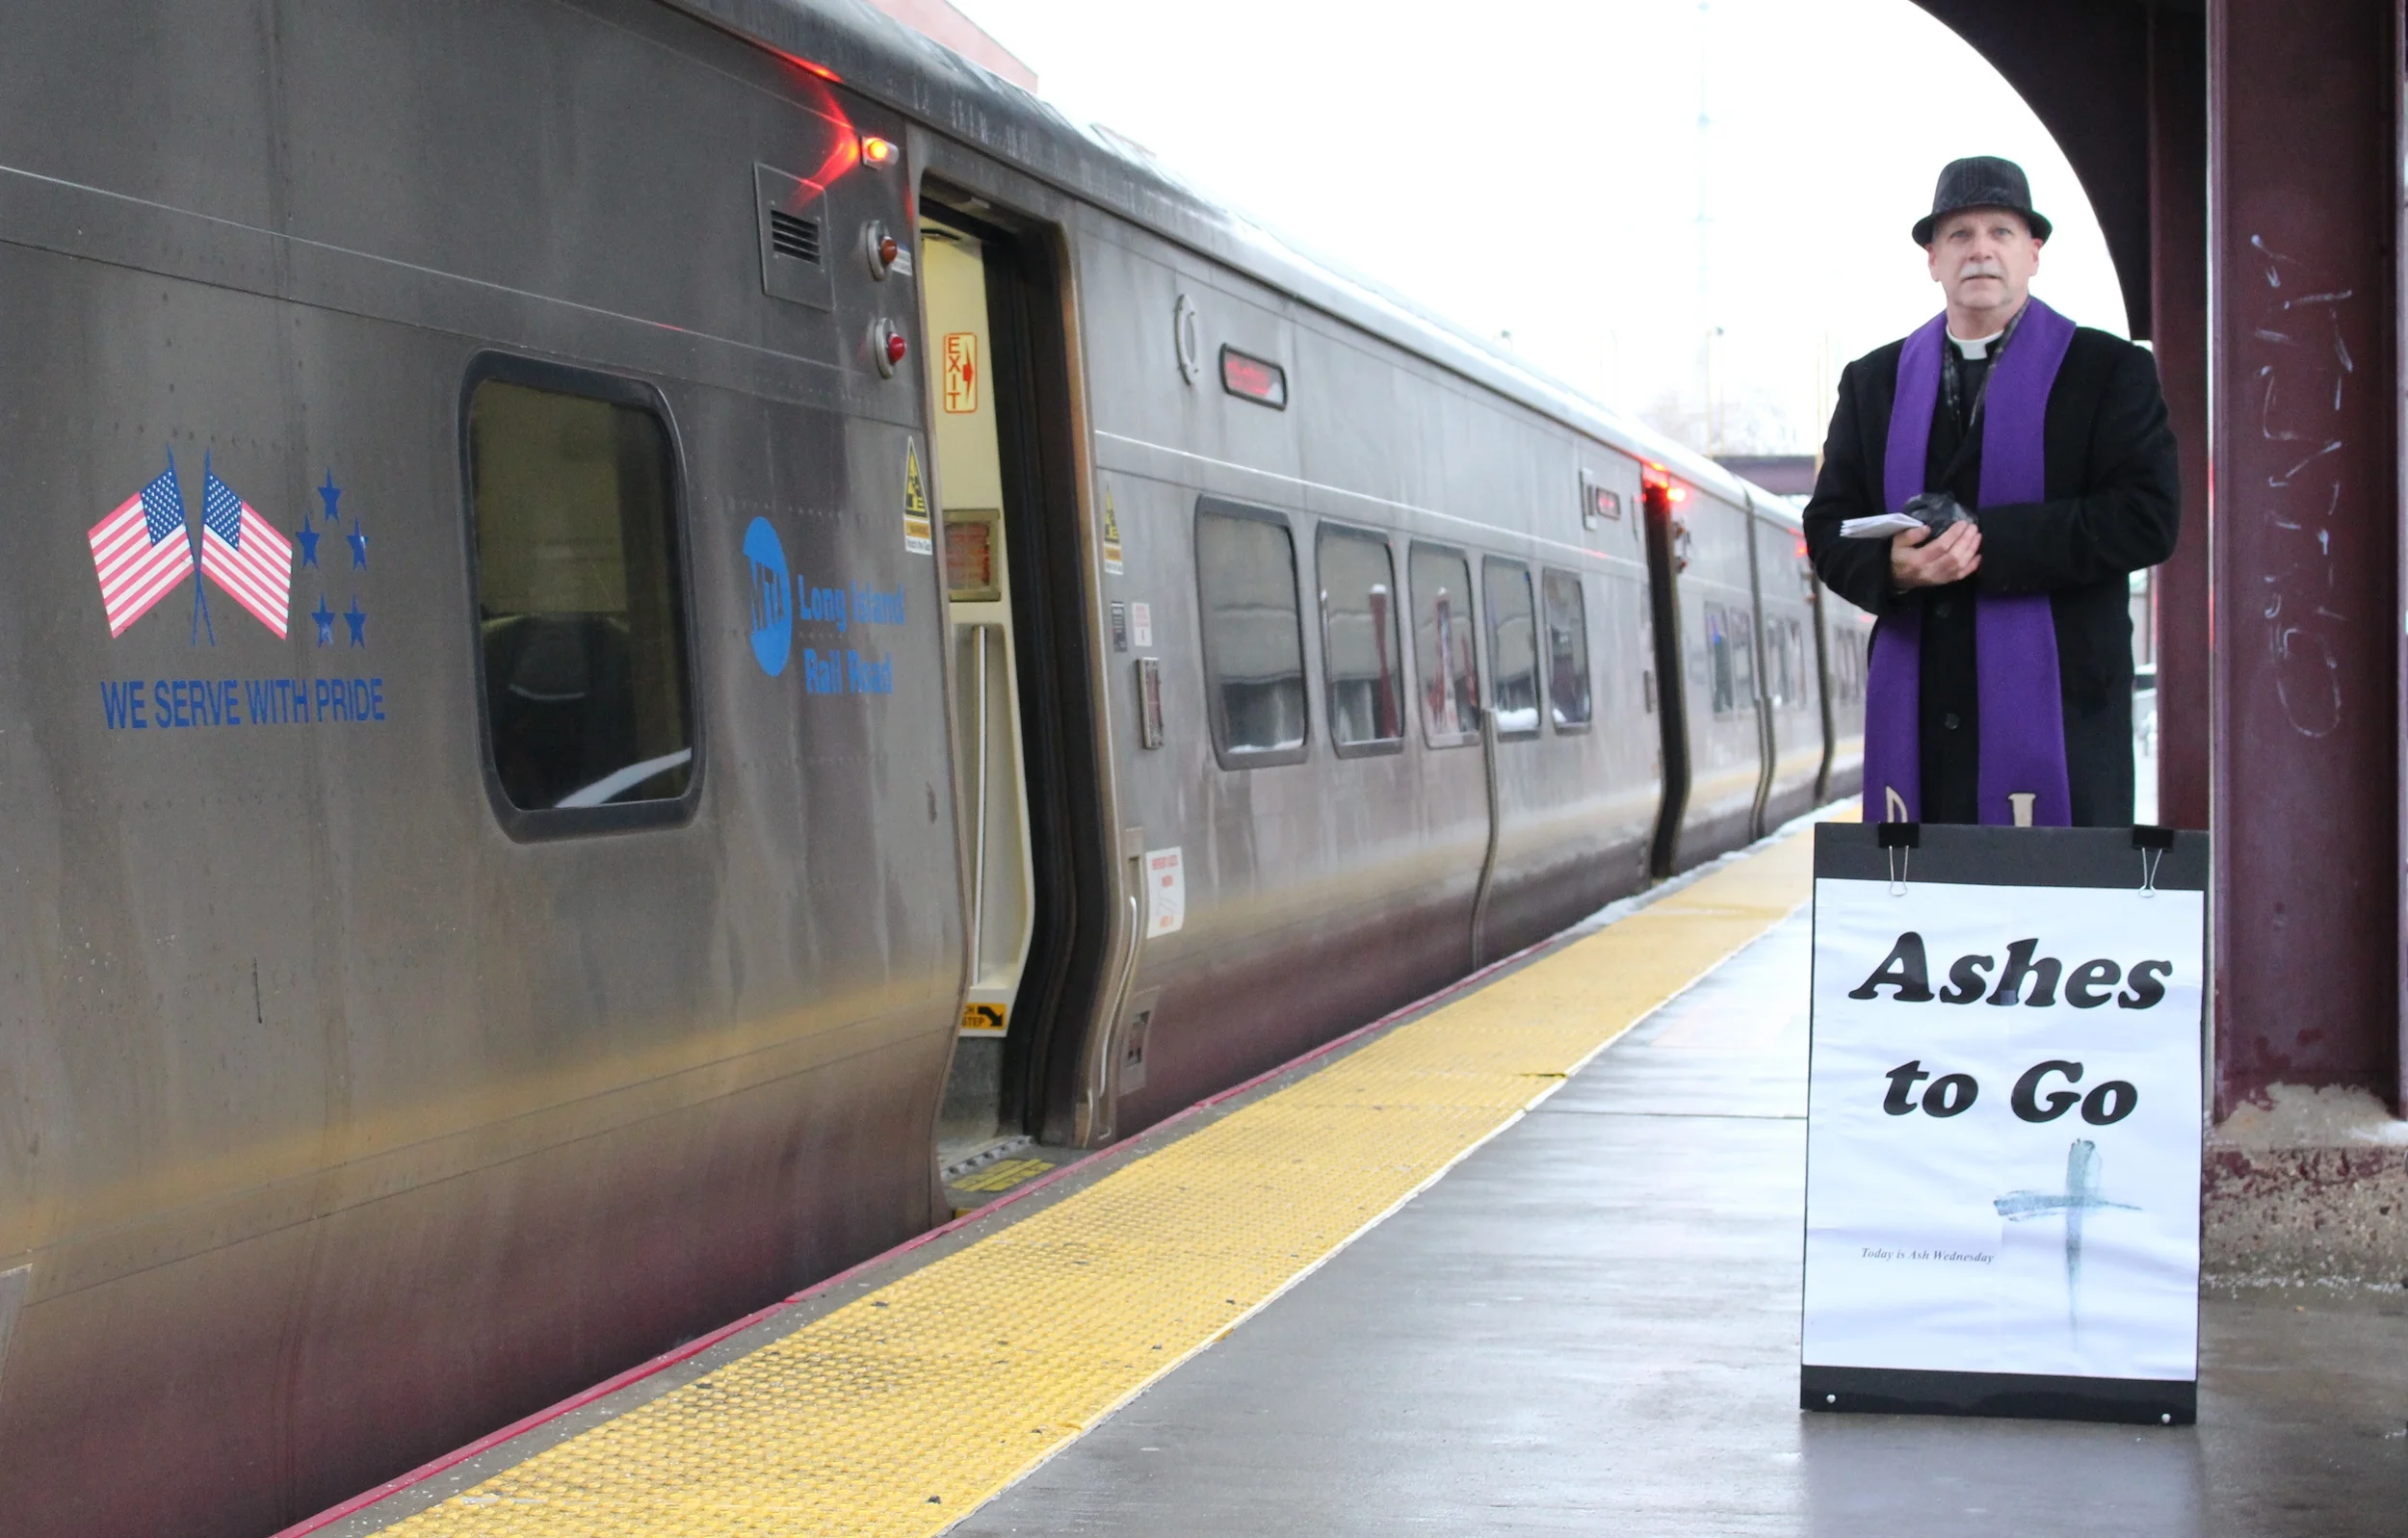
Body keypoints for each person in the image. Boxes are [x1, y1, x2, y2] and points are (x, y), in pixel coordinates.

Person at [1804, 156, 2179, 827]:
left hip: (2063, 728)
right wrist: (1892, 567)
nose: (1980, 249)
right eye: (1959, 234)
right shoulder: (1874, 382)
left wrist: (1984, 543)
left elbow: (2148, 518)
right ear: (1932, 259)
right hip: (1920, 728)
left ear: (2034, 252)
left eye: (2001, 232)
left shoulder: (2109, 370)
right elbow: (1829, 526)